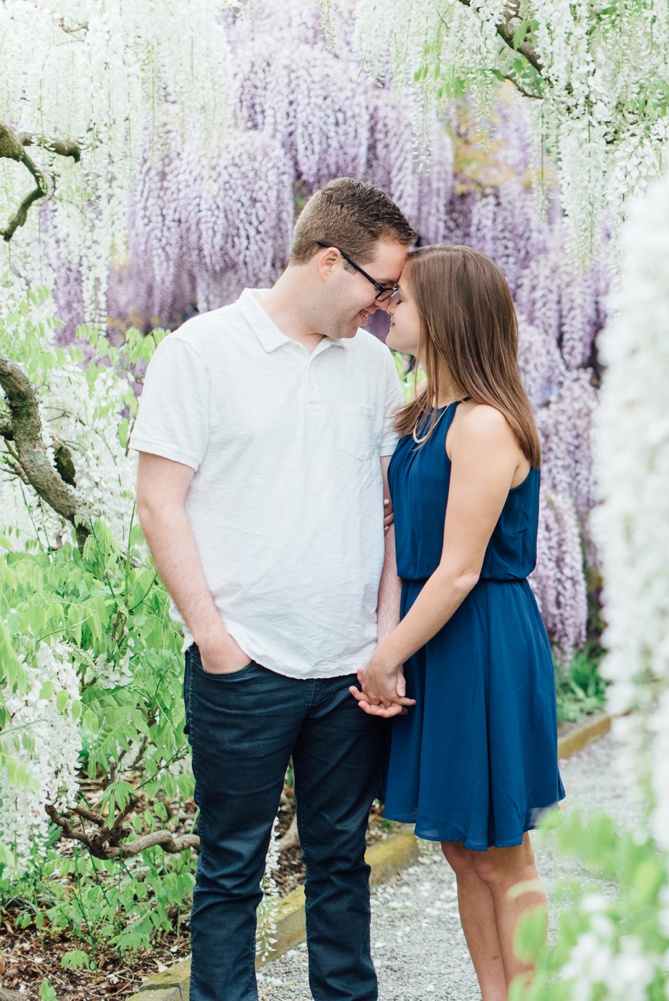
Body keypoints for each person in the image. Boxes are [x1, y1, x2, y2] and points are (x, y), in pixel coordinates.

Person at [132, 178, 415, 1001]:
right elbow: (158, 500)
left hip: (347, 669)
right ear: (331, 262)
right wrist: (216, 640)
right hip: (244, 662)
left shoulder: (371, 367)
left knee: (339, 862)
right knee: (230, 866)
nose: (388, 306)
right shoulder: (201, 350)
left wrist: (383, 640)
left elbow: (391, 514)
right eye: (382, 285)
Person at [349, 243, 565, 1001]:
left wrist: (385, 657)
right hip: (434, 639)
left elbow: (459, 568)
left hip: (479, 643)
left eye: (401, 297)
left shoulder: (481, 424)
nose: (387, 305)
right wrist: (393, 640)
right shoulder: (422, 415)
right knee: (460, 850)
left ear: (445, 315)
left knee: (504, 852)